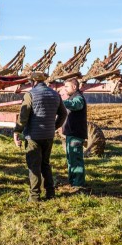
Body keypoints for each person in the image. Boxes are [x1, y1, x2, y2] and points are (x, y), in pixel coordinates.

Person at [13, 71, 67, 202]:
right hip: (48, 135)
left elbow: (23, 117)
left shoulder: (30, 94)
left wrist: (16, 132)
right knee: (45, 164)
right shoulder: (55, 94)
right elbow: (63, 114)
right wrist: (54, 126)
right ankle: (50, 192)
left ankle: (35, 196)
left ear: (33, 82)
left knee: (34, 166)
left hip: (33, 136)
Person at [60, 78, 88, 189]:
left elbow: (76, 105)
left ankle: (78, 184)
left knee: (76, 159)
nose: (65, 89)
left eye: (67, 86)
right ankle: (72, 181)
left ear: (74, 87)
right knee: (70, 159)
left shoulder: (78, 98)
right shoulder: (72, 97)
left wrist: (60, 102)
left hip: (76, 135)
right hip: (70, 134)